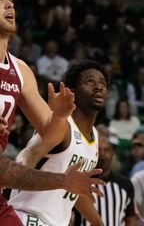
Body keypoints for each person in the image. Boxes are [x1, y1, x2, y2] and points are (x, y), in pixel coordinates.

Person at [0, 0, 105, 225]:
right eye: (0, 0)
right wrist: (64, 181)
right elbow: (9, 169)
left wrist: (59, 116)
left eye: (11, 0)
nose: (9, 5)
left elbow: (51, 134)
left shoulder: (20, 71)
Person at [10, 60, 108, 226]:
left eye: (102, 83)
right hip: (26, 217)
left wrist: (98, 223)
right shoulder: (60, 125)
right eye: (89, 82)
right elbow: (29, 154)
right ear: (72, 92)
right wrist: (14, 171)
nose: (98, 87)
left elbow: (73, 188)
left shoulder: (95, 137)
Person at [76, 135, 136, 226]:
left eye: (106, 150)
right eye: (98, 150)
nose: (102, 153)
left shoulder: (125, 184)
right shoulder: (80, 183)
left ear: (113, 154)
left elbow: (130, 218)